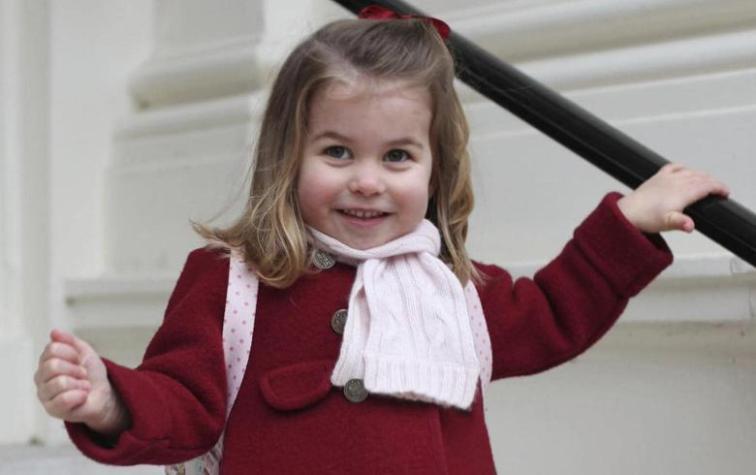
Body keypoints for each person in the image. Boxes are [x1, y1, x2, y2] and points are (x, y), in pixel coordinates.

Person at [34, 9, 730, 474]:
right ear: (288, 153)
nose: (367, 181)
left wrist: (629, 223)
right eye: (337, 151)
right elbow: (183, 403)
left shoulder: (452, 288)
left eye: (397, 157)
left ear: (435, 169)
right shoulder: (235, 282)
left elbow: (553, 313)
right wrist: (111, 400)